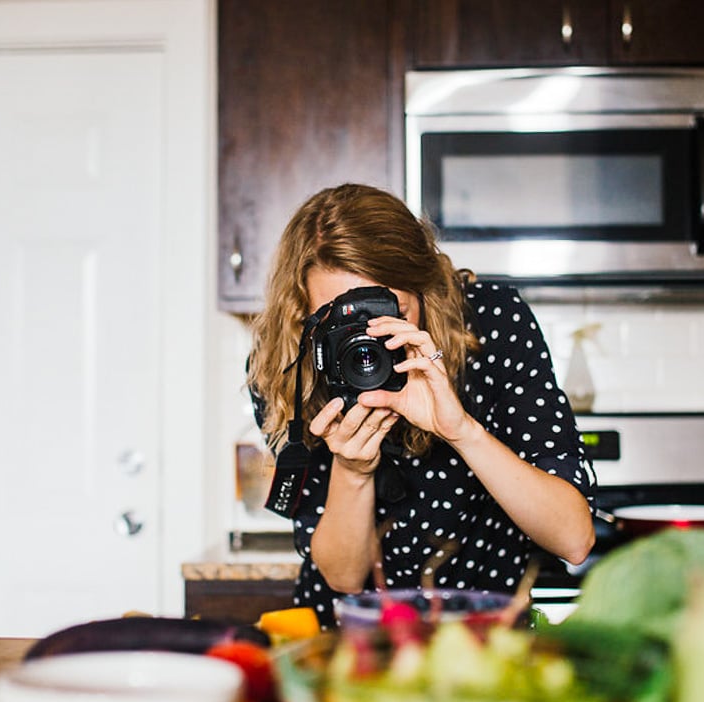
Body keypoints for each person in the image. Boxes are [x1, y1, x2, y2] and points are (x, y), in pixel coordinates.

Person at [247, 183, 596, 626]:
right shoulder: (290, 361)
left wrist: (462, 430)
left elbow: (574, 539)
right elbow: (343, 577)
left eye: (390, 314)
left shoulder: (493, 323)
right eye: (340, 322)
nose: (368, 340)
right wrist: (352, 471)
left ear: (424, 290)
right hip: (350, 645)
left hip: (483, 644)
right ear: (306, 312)